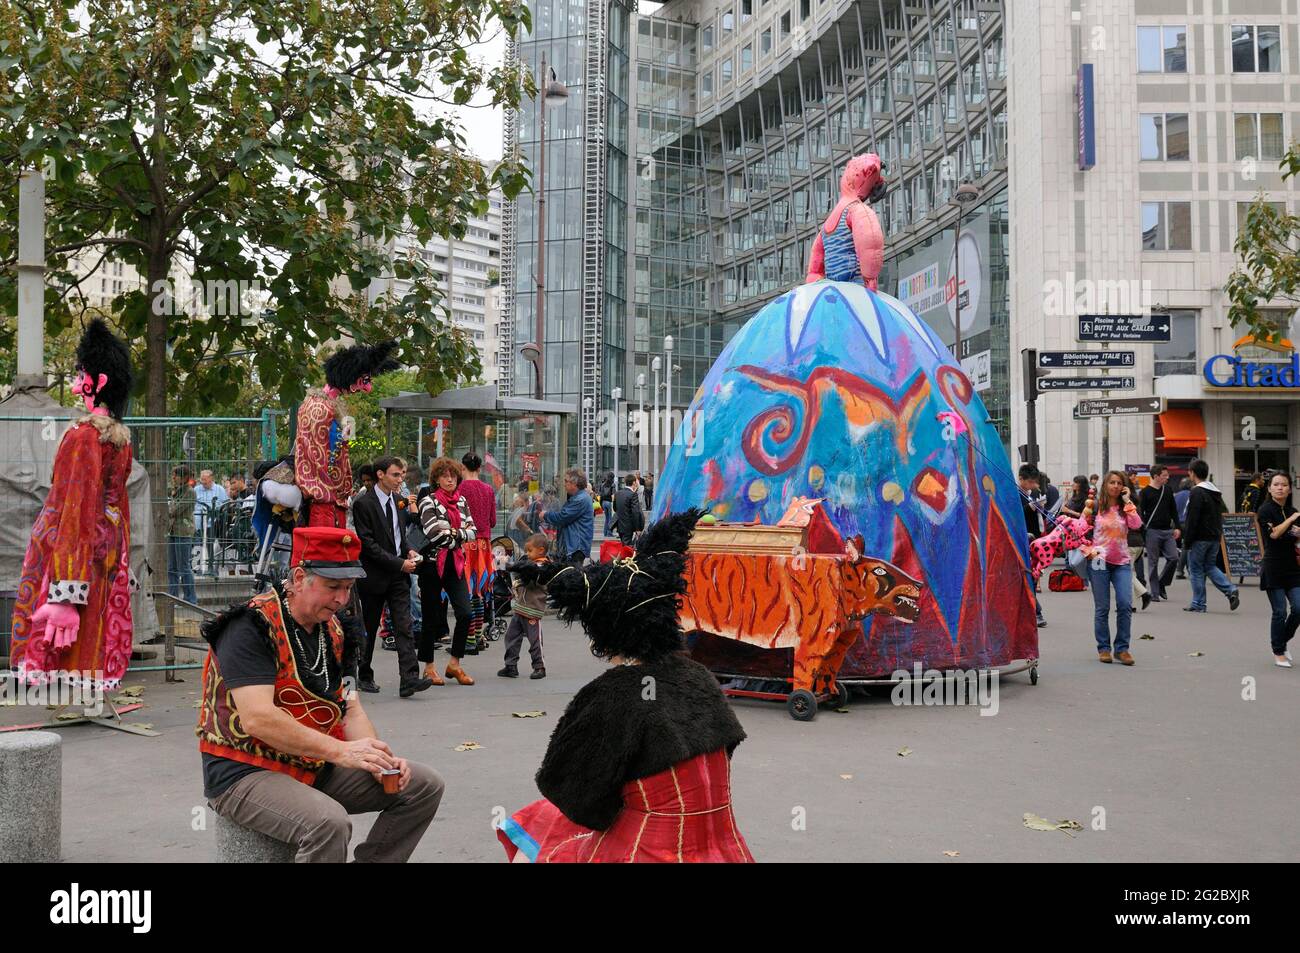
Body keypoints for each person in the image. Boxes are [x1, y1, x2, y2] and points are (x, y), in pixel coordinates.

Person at [496, 509, 754, 863]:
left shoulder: (613, 694)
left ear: (600, 632)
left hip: (648, 851)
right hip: (721, 849)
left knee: (537, 825)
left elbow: (577, 799)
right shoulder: (700, 677)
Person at [198, 526, 445, 862]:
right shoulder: (249, 626)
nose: (342, 599)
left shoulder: (338, 629)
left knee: (423, 785)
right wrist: (341, 752)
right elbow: (258, 718)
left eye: (348, 587)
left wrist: (375, 758)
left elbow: (350, 707)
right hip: (244, 770)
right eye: (332, 587)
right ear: (299, 578)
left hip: (312, 761)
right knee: (328, 824)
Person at [9, 319, 138, 689]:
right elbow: (118, 506)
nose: (74, 382)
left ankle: (63, 689)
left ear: (97, 383)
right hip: (105, 546)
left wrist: (64, 590)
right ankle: (85, 691)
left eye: (80, 373)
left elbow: (75, 510)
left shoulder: (84, 438)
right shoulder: (120, 440)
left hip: (72, 548)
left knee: (66, 626)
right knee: (94, 623)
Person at [351, 456, 431, 697]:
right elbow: (368, 544)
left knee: (404, 625)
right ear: (381, 475)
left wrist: (408, 550)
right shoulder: (363, 503)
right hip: (374, 576)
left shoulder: (399, 501)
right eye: (396, 475)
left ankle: (409, 678)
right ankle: (363, 673)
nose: (400, 479)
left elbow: (399, 534)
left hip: (398, 575)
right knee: (369, 626)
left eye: (402, 475)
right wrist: (399, 563)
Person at [415, 457, 479, 685]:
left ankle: (454, 663)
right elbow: (434, 533)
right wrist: (459, 533)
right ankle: (428, 667)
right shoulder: (428, 501)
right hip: (432, 564)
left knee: (465, 613)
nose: (449, 479)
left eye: (452, 475)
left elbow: (474, 531)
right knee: (431, 617)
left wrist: (452, 532)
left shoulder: (462, 501)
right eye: (444, 476)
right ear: (437, 479)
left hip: (456, 563)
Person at [1083, 471, 1143, 665]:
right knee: (1102, 608)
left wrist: (1128, 501)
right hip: (1099, 561)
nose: (1116, 486)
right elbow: (1080, 531)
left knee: (1125, 604)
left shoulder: (1125, 508)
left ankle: (1122, 649)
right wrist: (1087, 550)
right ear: (1106, 485)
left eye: (1119, 483)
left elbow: (1136, 525)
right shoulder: (1095, 506)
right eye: (1112, 482)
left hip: (1122, 562)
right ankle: (1104, 648)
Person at [1182, 459, 1239, 613]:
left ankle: (1198, 604)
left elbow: (1193, 518)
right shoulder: (1215, 492)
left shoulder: (1196, 491)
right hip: (1214, 536)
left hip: (1199, 537)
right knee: (1210, 566)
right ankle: (1230, 589)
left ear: (1192, 473)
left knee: (1196, 570)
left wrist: (1187, 540)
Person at [1256, 471, 1300, 667]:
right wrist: (1291, 521)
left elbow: (1295, 540)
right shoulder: (1265, 510)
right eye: (1276, 484)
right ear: (1270, 488)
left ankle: (1282, 641)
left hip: (1292, 567)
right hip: (1273, 566)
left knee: (1299, 608)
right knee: (1280, 611)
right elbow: (1273, 535)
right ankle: (1278, 651)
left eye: (1284, 485)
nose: (1280, 487)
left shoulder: (1293, 510)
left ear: (1289, 488)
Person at [458, 453, 499, 656]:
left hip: (466, 543)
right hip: (484, 545)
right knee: (479, 591)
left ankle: (470, 638)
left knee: (465, 590)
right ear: (480, 468)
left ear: (462, 467)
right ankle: (479, 635)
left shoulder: (460, 489)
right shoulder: (488, 489)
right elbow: (492, 521)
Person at [497, 533, 551, 680]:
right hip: (520, 608)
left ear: (540, 550)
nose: (527, 554)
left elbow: (529, 570)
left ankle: (539, 667)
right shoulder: (530, 564)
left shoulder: (543, 567)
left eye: (529, 550)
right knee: (511, 637)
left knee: (535, 640)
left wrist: (511, 565)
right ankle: (511, 666)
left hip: (533, 610)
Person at [1140, 464, 1181, 602]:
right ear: (1156, 476)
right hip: (1152, 531)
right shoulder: (1145, 492)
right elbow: (1141, 513)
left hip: (1168, 530)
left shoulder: (1168, 490)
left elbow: (1174, 510)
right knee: (1153, 562)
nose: (1167, 478)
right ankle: (1155, 593)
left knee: (1174, 558)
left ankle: (1162, 582)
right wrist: (1144, 529)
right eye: (1164, 475)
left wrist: (1177, 527)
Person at [543, 468, 595, 566]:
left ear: (575, 484)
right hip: (574, 547)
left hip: (576, 548)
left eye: (566, 481)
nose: (564, 484)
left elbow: (562, 517)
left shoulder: (580, 499)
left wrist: (545, 515)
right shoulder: (579, 497)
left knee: (571, 577)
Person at [1018, 464, 1048, 627]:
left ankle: (1034, 610)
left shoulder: (1030, 493)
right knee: (1028, 576)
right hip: (1024, 538)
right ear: (1021, 479)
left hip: (1035, 538)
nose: (1033, 485)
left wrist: (1040, 508)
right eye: (1030, 482)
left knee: (1032, 575)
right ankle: (1036, 611)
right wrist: (1029, 507)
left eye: (1034, 482)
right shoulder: (1014, 493)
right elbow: (1014, 514)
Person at [168, 465, 199, 606]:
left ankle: (190, 599)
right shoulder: (175, 491)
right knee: (171, 568)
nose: (173, 478)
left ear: (185, 477)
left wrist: (168, 506)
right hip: (172, 531)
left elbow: (174, 510)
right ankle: (172, 598)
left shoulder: (189, 492)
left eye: (176, 475)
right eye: (173, 475)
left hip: (183, 532)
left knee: (184, 567)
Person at [614, 473, 646, 546]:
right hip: (628, 527)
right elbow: (635, 512)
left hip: (620, 525)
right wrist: (638, 529)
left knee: (624, 546)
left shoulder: (618, 493)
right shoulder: (632, 495)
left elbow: (615, 508)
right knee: (627, 549)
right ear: (634, 482)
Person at [1174, 476, 1192, 579]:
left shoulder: (1176, 495)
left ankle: (1182, 569)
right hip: (1187, 523)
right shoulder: (1192, 495)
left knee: (1183, 546)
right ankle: (1181, 570)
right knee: (1187, 546)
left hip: (1177, 524)